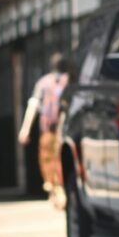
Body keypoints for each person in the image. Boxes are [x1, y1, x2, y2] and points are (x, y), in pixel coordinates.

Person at [18, 52, 70, 209]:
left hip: (50, 129)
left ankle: (55, 189)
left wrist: (25, 128)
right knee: (60, 160)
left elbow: (33, 106)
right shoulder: (69, 81)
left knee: (48, 160)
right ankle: (59, 190)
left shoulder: (43, 83)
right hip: (66, 130)